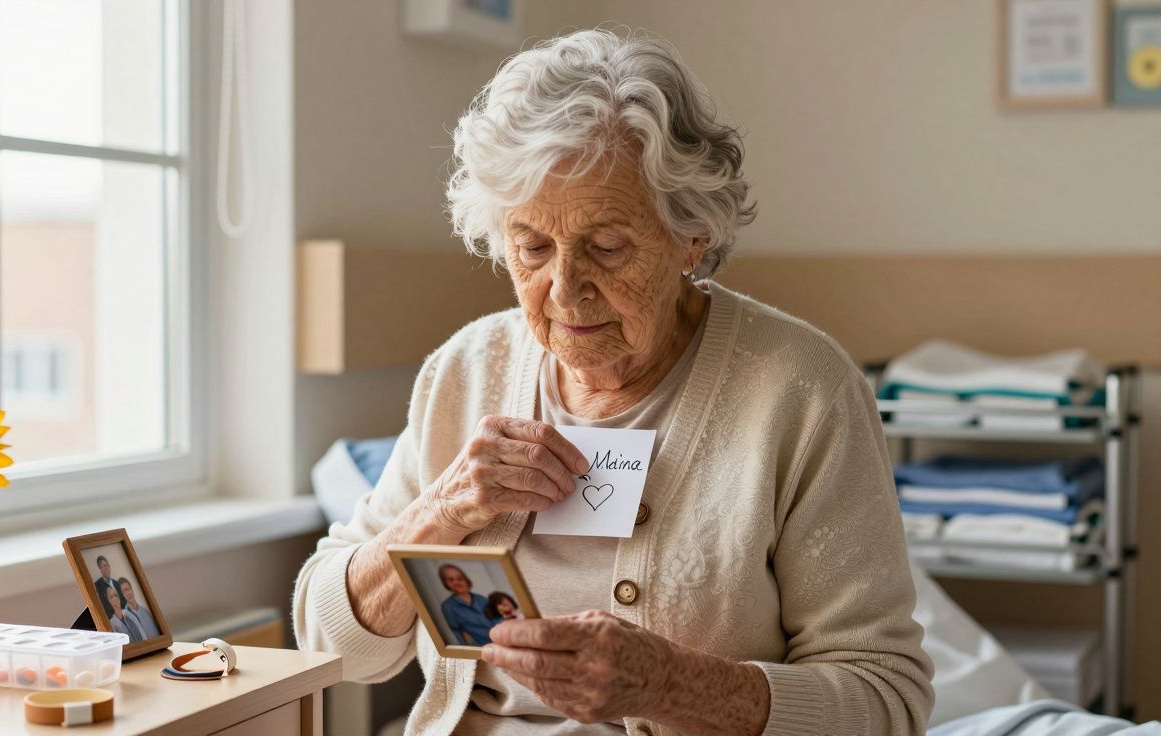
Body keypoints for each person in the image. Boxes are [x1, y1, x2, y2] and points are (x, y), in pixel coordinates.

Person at [293, 28, 933, 735]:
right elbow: (329, 647)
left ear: (691, 232)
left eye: (607, 246)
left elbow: (886, 701)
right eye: (531, 246)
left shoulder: (802, 393)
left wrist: (671, 685)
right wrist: (441, 511)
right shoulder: (467, 370)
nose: (565, 290)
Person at [436, 564, 493, 646]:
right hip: (480, 645)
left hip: (499, 637)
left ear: (466, 580)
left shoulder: (481, 599)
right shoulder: (448, 606)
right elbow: (457, 632)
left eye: (459, 578)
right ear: (446, 583)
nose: (456, 582)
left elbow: (496, 619)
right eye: (451, 580)